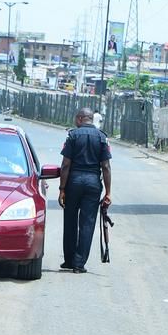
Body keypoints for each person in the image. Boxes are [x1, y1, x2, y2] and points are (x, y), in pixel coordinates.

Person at [58, 107, 112, 274]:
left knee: (70, 221)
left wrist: (61, 189)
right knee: (87, 223)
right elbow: (106, 166)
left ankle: (69, 260)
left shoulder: (72, 136)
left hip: (73, 182)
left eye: (76, 118)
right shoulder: (102, 138)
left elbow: (66, 164)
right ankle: (79, 263)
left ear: (80, 119)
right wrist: (108, 192)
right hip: (93, 184)